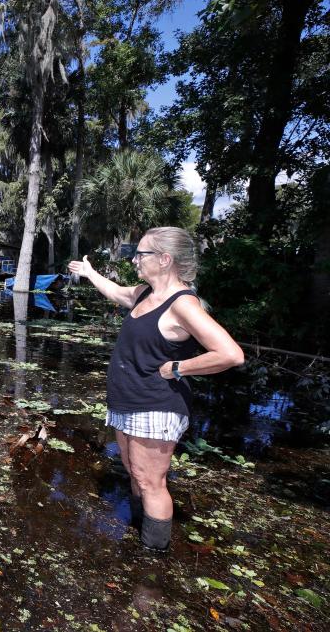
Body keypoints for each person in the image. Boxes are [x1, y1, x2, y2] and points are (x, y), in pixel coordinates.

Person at [68, 227, 244, 551]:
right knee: (135, 473)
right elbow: (117, 292)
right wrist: (90, 272)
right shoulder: (145, 293)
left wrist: (179, 368)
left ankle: (153, 560)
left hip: (156, 403)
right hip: (126, 400)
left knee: (151, 482)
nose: (134, 259)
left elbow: (230, 353)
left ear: (164, 259)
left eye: (141, 253)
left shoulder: (182, 304)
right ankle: (138, 534)